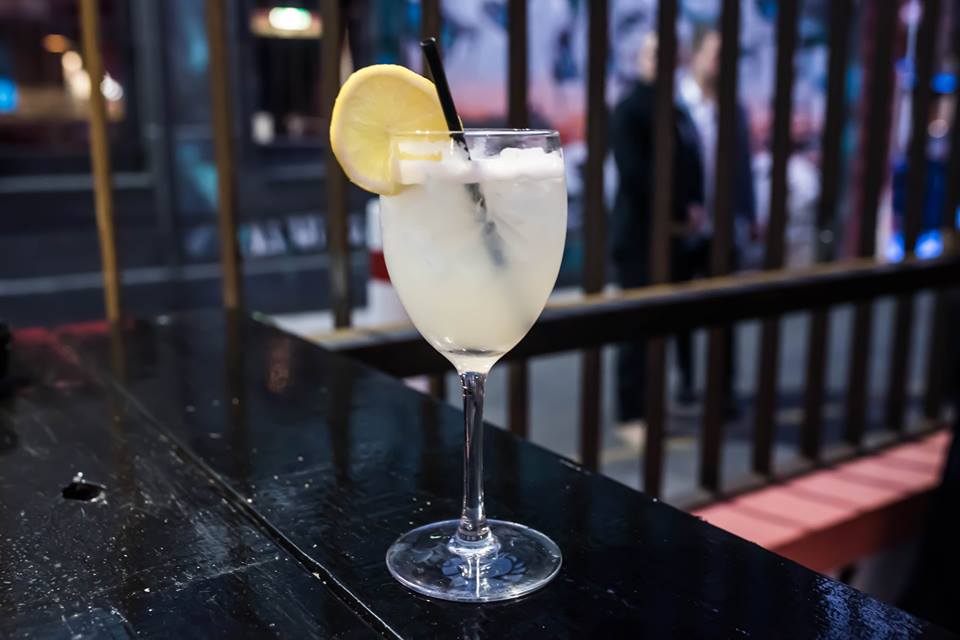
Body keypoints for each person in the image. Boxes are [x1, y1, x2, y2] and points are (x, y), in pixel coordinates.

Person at [611, 33, 705, 425]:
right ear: (640, 58)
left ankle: (651, 404)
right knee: (636, 329)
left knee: (660, 326)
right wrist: (677, 210)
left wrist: (691, 207)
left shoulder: (676, 109)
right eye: (652, 53)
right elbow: (635, 173)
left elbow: (690, 162)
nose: (658, 60)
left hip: (672, 236)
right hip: (640, 236)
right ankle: (631, 413)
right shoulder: (631, 109)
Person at [675, 26, 757, 408]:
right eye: (715, 53)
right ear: (695, 55)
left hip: (721, 225)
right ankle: (687, 381)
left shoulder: (732, 107)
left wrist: (748, 214)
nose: (720, 62)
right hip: (683, 225)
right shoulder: (677, 104)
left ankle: (723, 391)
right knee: (681, 312)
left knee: (724, 310)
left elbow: (743, 166)